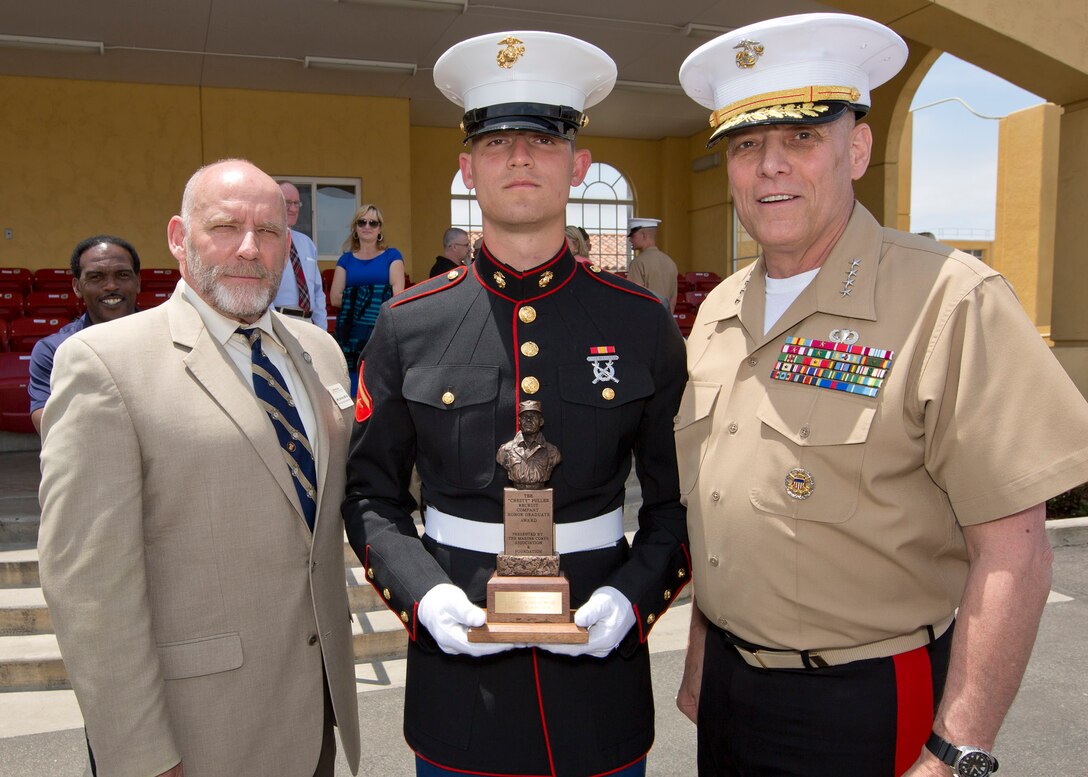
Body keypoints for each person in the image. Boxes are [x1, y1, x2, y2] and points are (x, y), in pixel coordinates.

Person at [674, 13, 1088, 777]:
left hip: (866, 700)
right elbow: (723, 507)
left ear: (856, 148)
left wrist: (958, 747)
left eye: (800, 138)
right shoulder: (719, 313)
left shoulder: (949, 299)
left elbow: (1015, 550)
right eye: (745, 145)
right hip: (731, 694)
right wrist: (703, 655)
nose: (770, 167)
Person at [342, 30, 689, 777]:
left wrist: (631, 601)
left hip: (599, 693)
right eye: (498, 143)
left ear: (579, 164)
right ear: (468, 168)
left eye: (543, 138)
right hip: (459, 689)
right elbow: (370, 494)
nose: (521, 158)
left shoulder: (641, 323)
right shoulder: (409, 323)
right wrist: (425, 596)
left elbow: (678, 501)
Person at [37, 159, 361, 777]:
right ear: (179, 238)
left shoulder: (319, 352)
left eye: (269, 232)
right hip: (198, 729)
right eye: (224, 227)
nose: (249, 248)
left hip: (318, 712)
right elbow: (88, 588)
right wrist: (139, 756)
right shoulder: (104, 363)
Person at [28, 234, 141, 433]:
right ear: (77, 287)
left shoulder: (169, 337)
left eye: (122, 275)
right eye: (96, 277)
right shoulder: (53, 350)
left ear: (138, 282)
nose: (111, 286)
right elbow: (46, 424)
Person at [330, 203, 405, 397]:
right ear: (355, 227)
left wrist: (356, 295)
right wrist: (378, 293)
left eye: (373, 223)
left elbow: (397, 294)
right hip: (350, 338)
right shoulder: (345, 260)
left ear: (380, 228)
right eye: (362, 222)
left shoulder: (392, 255)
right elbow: (335, 297)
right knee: (353, 391)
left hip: (382, 332)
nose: (367, 226)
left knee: (381, 389)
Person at [273, 181, 328, 329]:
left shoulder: (307, 243)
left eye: (297, 203)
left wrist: (322, 328)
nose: (293, 208)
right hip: (280, 321)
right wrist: (272, 325)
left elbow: (317, 291)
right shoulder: (265, 241)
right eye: (287, 203)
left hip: (309, 324)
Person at [626, 218, 678, 312]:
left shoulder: (638, 262)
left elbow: (632, 297)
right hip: (665, 321)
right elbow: (673, 300)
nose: (630, 240)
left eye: (633, 236)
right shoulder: (670, 262)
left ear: (643, 235)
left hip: (645, 320)